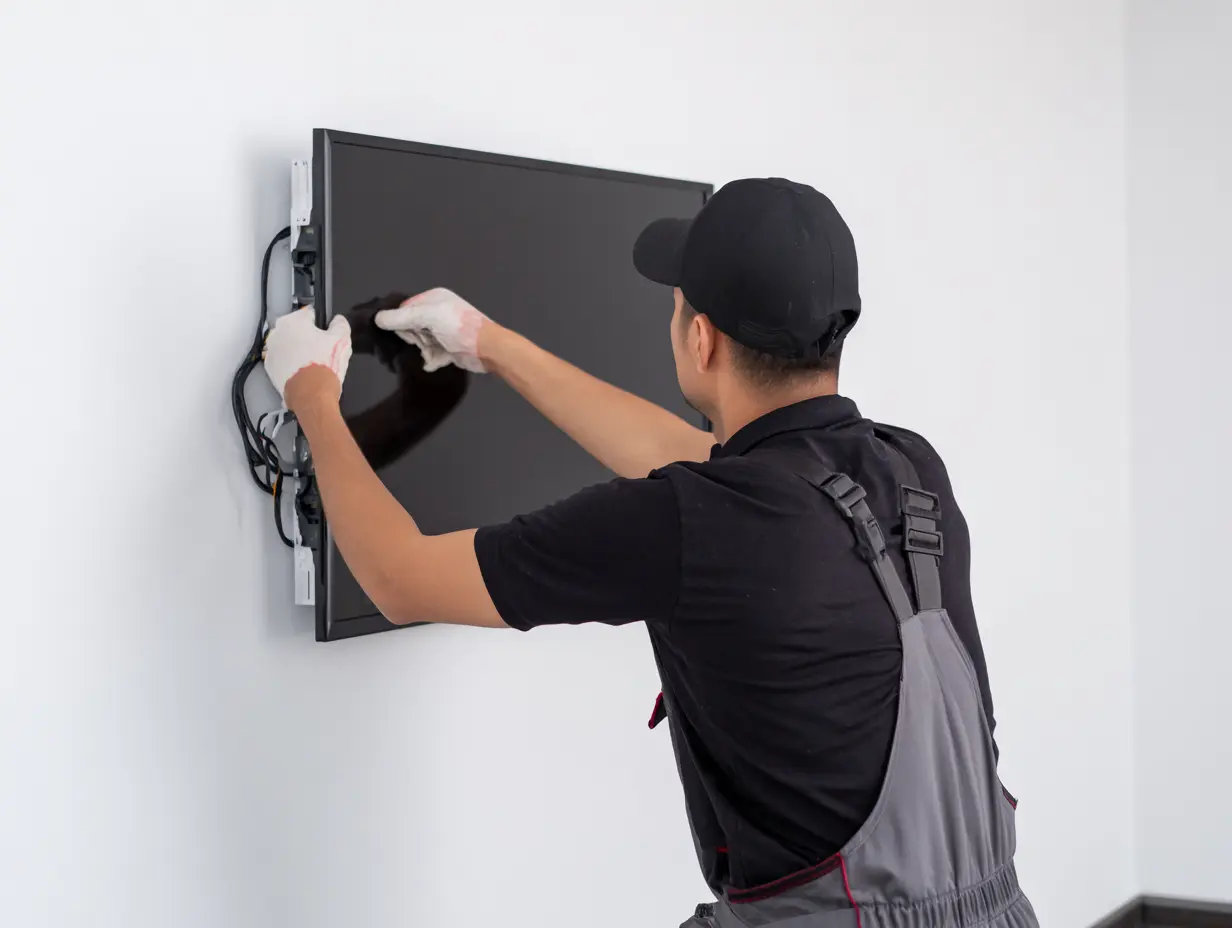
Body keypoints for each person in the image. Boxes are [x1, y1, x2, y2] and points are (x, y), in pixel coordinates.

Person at [263, 178, 1038, 927]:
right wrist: (491, 346)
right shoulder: (907, 469)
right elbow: (689, 457)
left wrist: (313, 398)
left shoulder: (695, 522)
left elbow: (399, 578)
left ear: (700, 339)